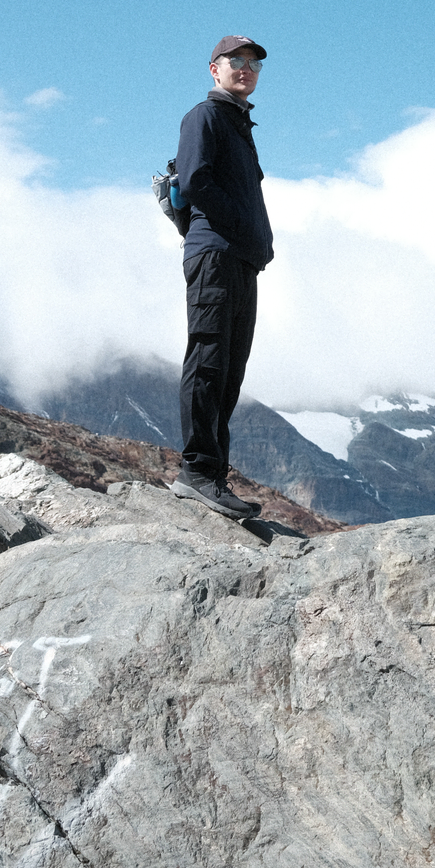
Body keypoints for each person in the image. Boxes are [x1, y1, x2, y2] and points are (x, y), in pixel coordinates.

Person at [169, 35, 274, 518]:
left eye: (252, 63)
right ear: (215, 69)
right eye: (236, 61)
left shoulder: (240, 125)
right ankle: (196, 472)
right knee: (209, 357)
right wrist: (237, 225)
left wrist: (257, 245)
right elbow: (193, 179)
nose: (246, 68)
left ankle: (214, 477)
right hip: (215, 253)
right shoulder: (205, 116)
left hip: (240, 261)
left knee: (231, 370)